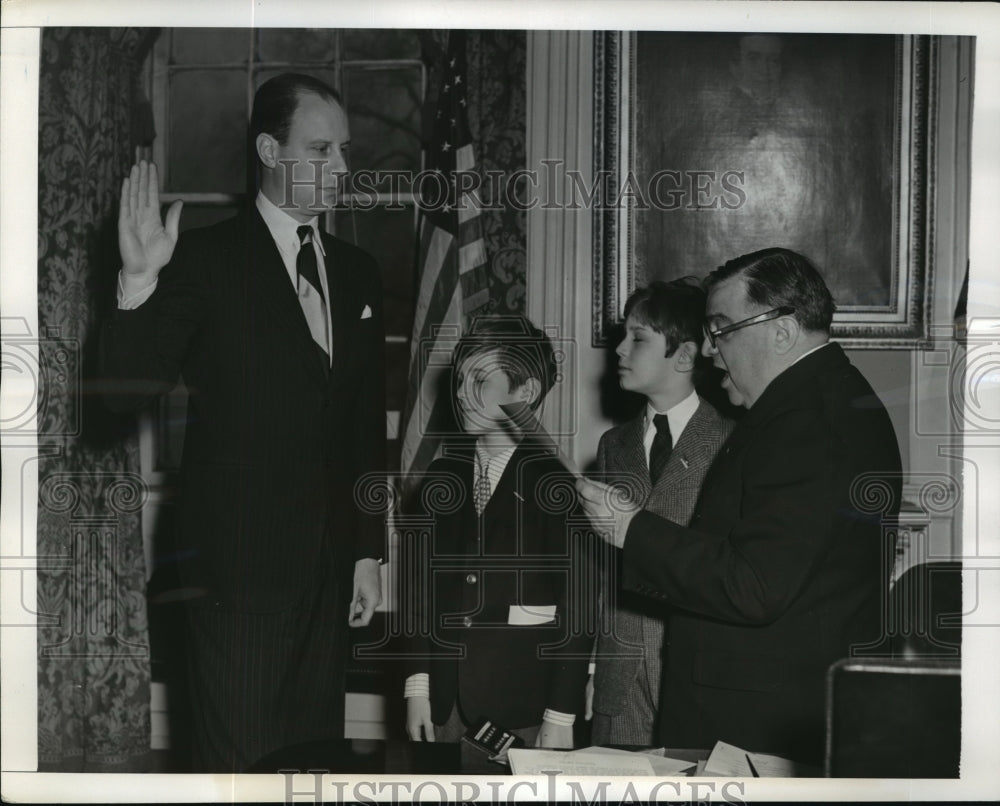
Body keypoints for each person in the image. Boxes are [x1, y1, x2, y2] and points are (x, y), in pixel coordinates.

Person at [100, 73, 387, 772]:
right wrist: (137, 284)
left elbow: (359, 424)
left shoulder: (357, 272)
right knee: (241, 775)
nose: (341, 170)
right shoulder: (203, 260)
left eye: (343, 151)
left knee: (309, 771)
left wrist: (367, 552)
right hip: (233, 582)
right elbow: (116, 396)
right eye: (321, 151)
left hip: (326, 581)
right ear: (269, 149)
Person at [577, 248, 902, 763]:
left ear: (782, 331)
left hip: (757, 727)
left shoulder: (807, 422)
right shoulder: (812, 405)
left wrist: (629, 529)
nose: (708, 349)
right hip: (760, 714)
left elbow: (754, 586)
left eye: (721, 329)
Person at [403, 316, 595, 749]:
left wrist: (560, 714)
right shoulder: (439, 478)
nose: (459, 394)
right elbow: (419, 593)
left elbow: (579, 608)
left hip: (524, 710)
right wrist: (417, 686)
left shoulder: (558, 486)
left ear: (524, 393)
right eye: (458, 380)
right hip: (443, 705)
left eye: (480, 380)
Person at [589, 279, 734, 746]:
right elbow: (603, 570)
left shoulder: (732, 441)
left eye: (638, 338)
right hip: (621, 677)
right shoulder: (614, 446)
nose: (618, 349)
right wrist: (594, 666)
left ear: (686, 356)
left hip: (697, 675)